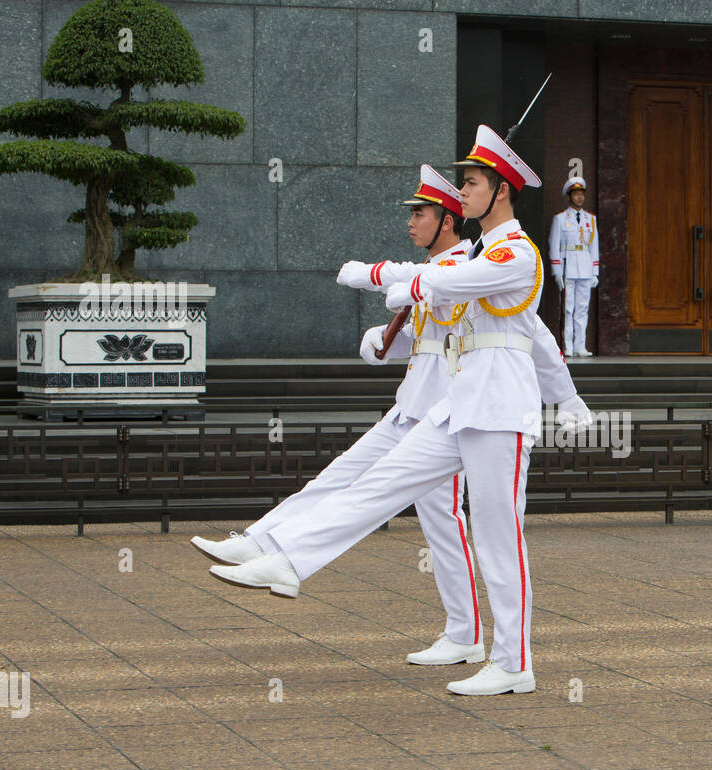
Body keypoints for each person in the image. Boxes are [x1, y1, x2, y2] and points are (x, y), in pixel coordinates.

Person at [209, 127, 573, 695]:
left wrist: (383, 278)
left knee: (497, 538)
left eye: (473, 184)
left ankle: (514, 663)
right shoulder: (480, 251)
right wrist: (392, 281)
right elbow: (442, 275)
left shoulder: (516, 254)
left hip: (501, 410)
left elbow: (451, 280)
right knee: (377, 484)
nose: (466, 193)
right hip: (459, 407)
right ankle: (290, 560)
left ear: (501, 191)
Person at [547, 175, 599, 357]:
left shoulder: (590, 219)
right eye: (576, 194)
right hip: (567, 267)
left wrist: (595, 271)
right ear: (569, 196)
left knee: (582, 308)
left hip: (584, 267)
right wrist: (556, 273)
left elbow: (594, 246)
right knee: (568, 308)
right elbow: (554, 245)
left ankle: (580, 345)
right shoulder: (561, 218)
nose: (579, 197)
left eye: (581, 194)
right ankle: (567, 345)